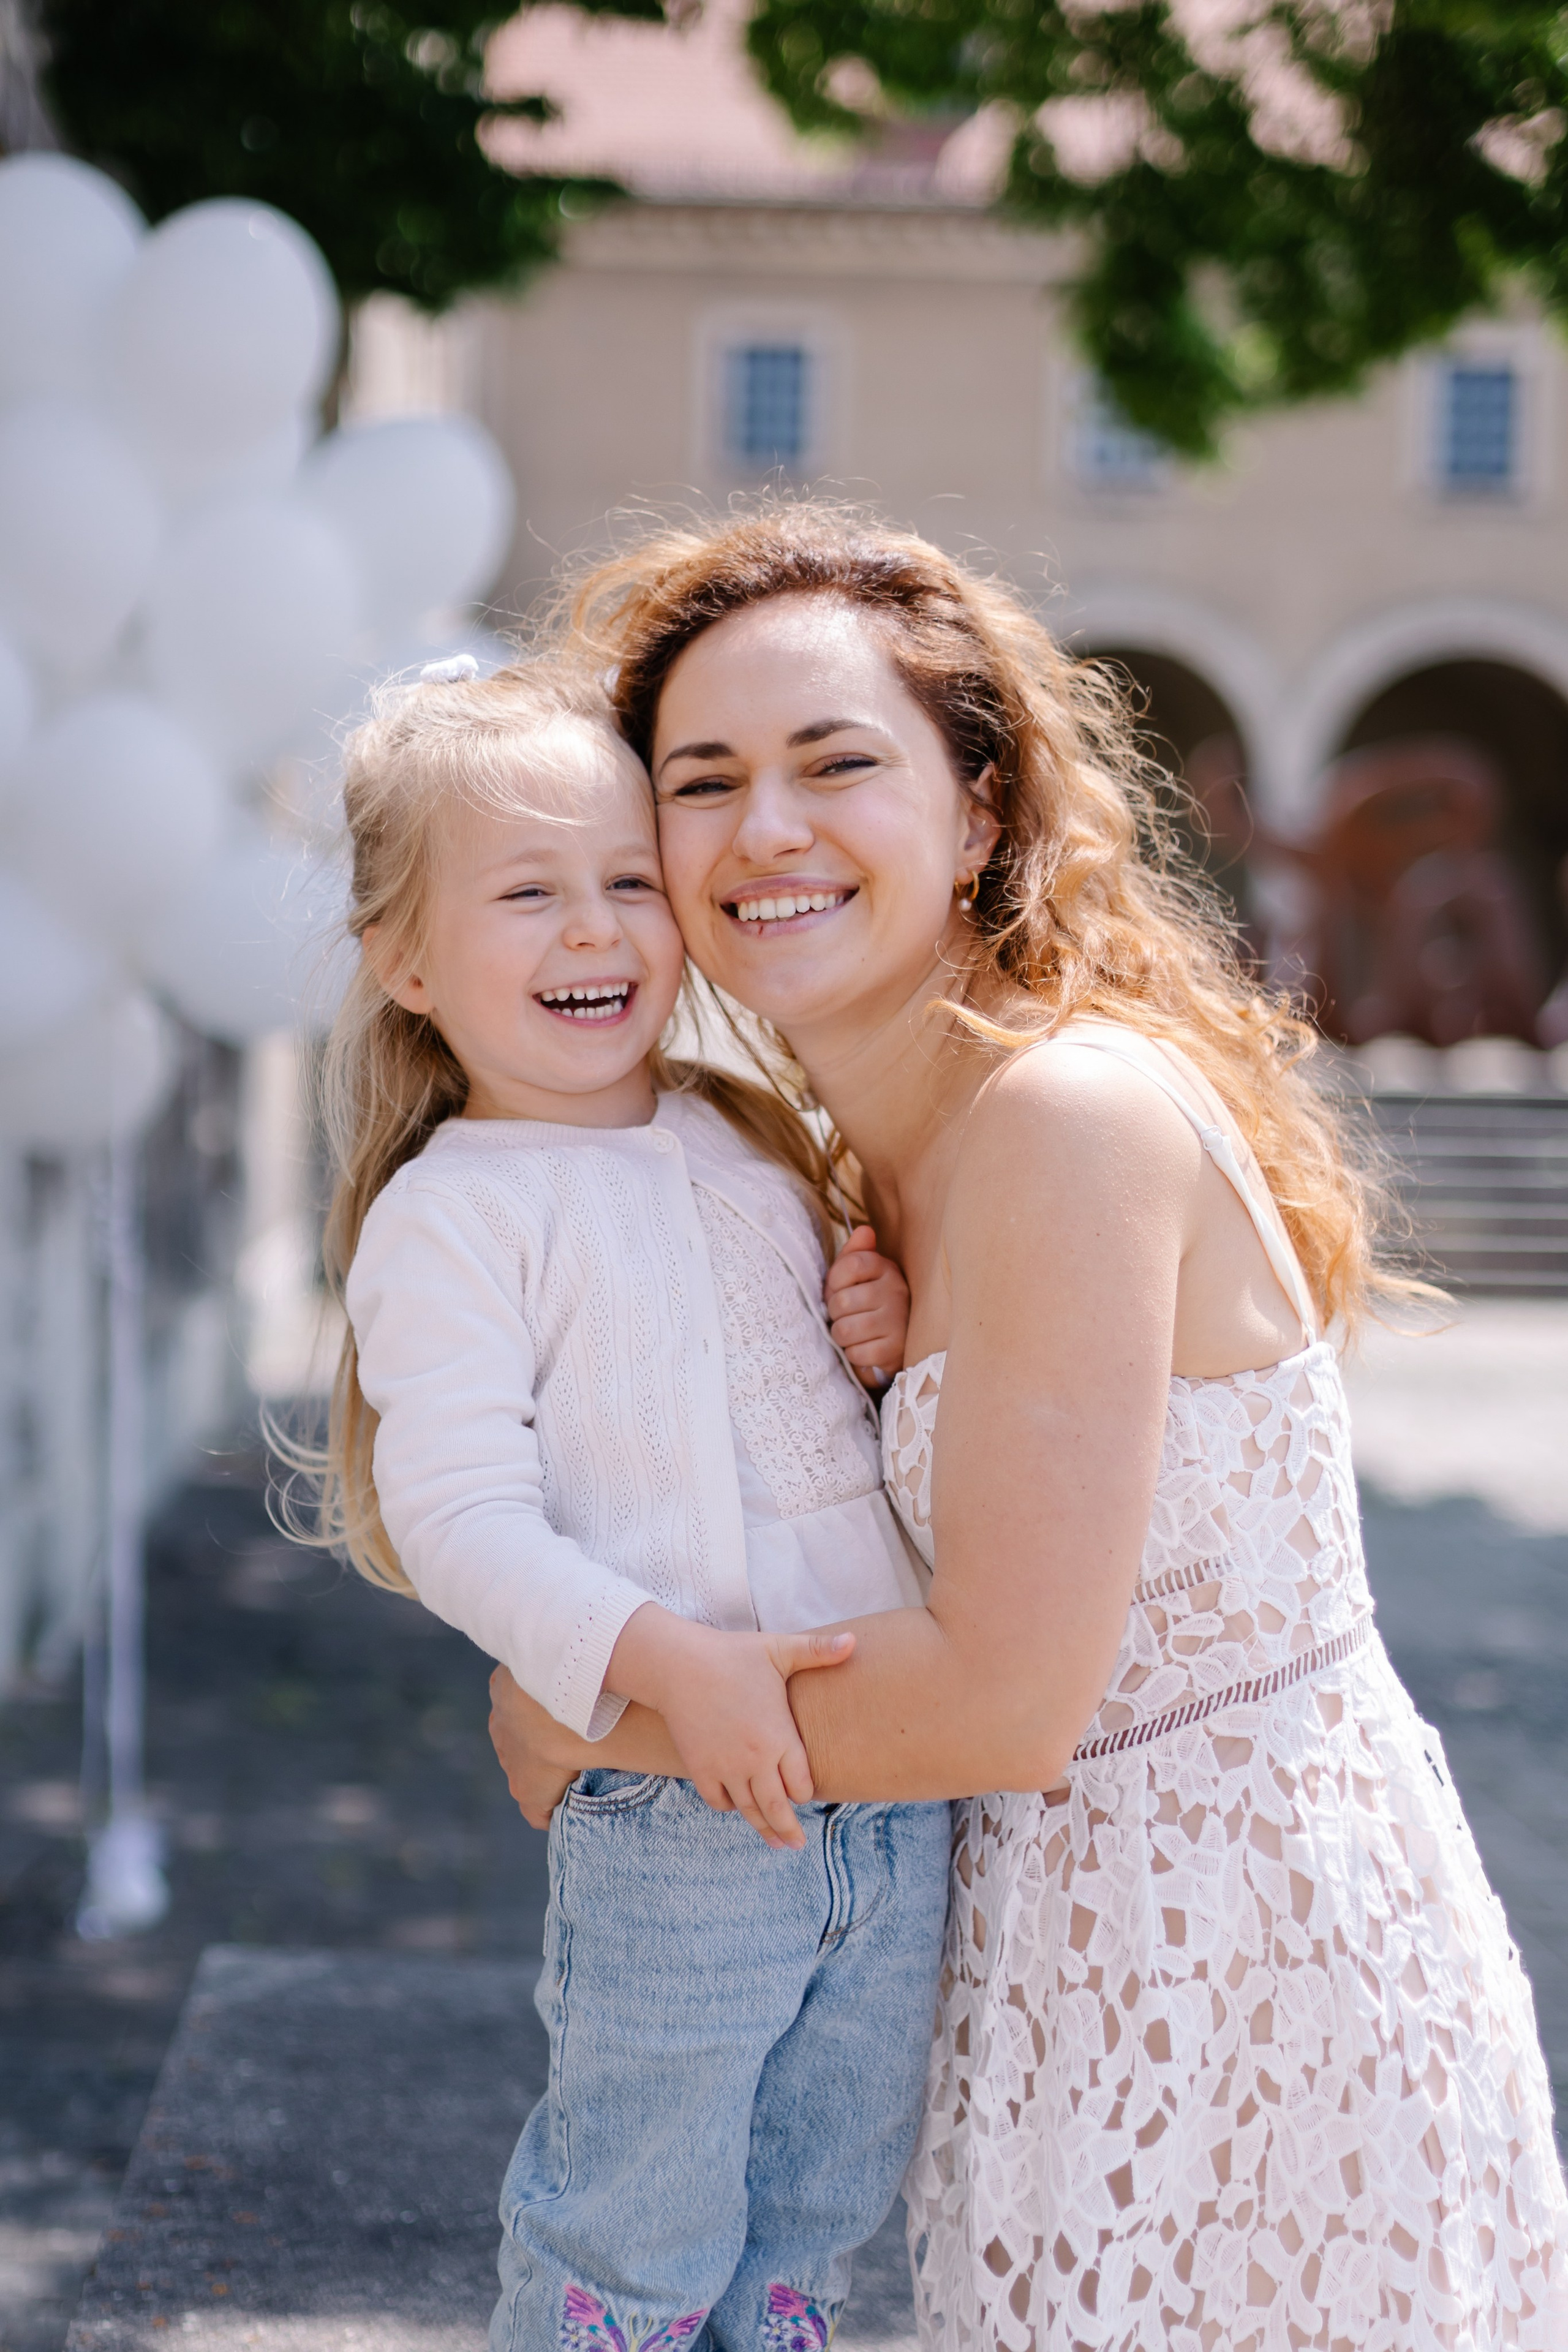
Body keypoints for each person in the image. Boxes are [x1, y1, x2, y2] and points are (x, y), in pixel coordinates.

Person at [489, 508, 1568, 2350]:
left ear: (980, 810)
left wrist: (597, 1706)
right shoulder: (862, 1157)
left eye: (838, 765)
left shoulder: (1065, 1114)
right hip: (1061, 1964)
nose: (767, 830)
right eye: (704, 780)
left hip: (1244, 1989)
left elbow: (1006, 1694)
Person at [305, 654, 952, 2352]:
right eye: (530, 894)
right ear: (407, 959)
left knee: (819, 2219)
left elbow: (829, 1435)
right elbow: (463, 1520)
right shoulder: (454, 1218)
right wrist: (666, 1659)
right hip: (681, 1821)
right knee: (638, 2232)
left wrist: (880, 1339)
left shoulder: (748, 1135)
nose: (595, 931)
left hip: (892, 1792)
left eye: (625, 884)